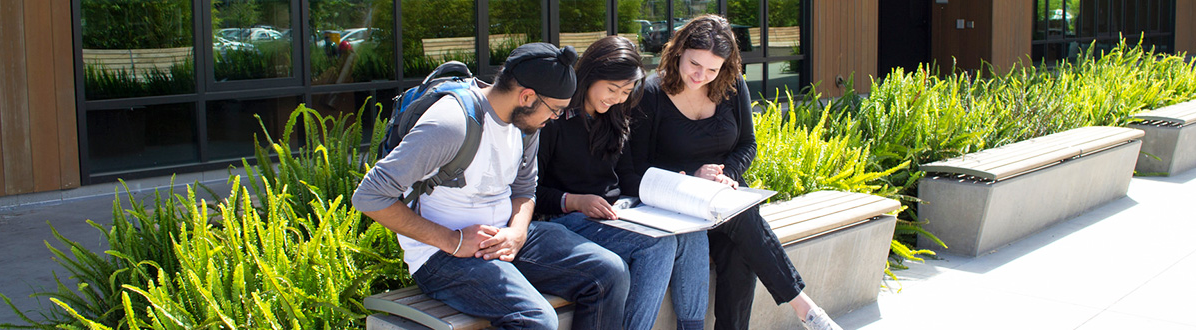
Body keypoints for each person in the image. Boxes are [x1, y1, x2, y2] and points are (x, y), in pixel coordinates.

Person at [352, 43, 630, 330]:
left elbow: (524, 190)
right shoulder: (451, 124)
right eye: (555, 110)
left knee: (610, 273)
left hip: (503, 238)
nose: (554, 119)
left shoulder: (527, 126)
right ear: (527, 96)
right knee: (535, 320)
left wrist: (518, 233)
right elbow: (369, 196)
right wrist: (453, 240)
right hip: (442, 255)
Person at [619, 15, 844, 330]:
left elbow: (747, 145)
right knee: (744, 227)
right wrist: (691, 178)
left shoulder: (731, 85)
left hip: (727, 201)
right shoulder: (651, 93)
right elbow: (635, 169)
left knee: (739, 254)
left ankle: (803, 312)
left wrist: (730, 175)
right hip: (676, 207)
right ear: (679, 51)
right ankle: (807, 310)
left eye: (712, 69)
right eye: (695, 65)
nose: (701, 76)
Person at [535, 36, 709, 330]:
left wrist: (666, 188)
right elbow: (532, 192)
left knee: (694, 233)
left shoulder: (616, 116)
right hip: (567, 220)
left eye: (626, 91)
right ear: (590, 75)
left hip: (616, 214)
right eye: (612, 89)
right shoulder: (555, 119)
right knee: (658, 247)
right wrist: (574, 200)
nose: (617, 98)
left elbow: (626, 178)